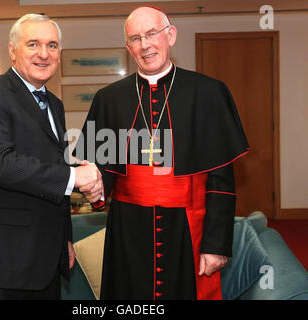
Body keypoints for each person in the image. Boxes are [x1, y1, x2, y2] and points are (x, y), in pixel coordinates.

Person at [77, 6, 249, 300]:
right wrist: (96, 188)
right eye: (135, 38)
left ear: (171, 35)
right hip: (128, 229)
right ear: (128, 47)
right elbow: (100, 167)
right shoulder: (109, 99)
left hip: (187, 227)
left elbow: (221, 180)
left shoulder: (208, 93)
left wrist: (216, 243)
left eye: (152, 34)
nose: (145, 45)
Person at [0, 14, 101, 300]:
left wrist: (65, 241)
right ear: (12, 51)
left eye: (52, 45)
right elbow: (1, 164)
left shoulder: (55, 105)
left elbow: (50, 168)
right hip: (0, 263)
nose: (44, 54)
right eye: (33, 44)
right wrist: (74, 177)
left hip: (45, 261)